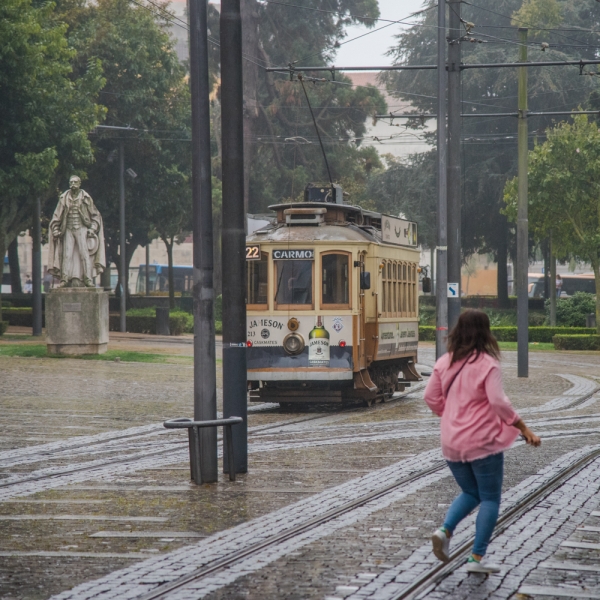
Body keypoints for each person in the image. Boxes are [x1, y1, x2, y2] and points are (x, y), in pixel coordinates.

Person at [424, 309, 541, 574]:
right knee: (489, 498)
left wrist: (450, 413)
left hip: (451, 442)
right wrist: (522, 427)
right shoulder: (488, 363)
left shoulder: (444, 362)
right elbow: (498, 402)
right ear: (486, 332)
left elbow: (430, 397)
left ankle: (445, 531)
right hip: (482, 442)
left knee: (470, 492)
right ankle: (476, 558)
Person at [47, 175, 106, 287]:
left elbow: (95, 216)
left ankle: (87, 279)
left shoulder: (86, 198)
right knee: (66, 255)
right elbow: (57, 217)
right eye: (71, 182)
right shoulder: (63, 198)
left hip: (82, 229)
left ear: (79, 184)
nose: (73, 185)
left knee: (84, 254)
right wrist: (55, 229)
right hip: (68, 229)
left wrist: (92, 229)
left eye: (75, 182)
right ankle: (64, 279)